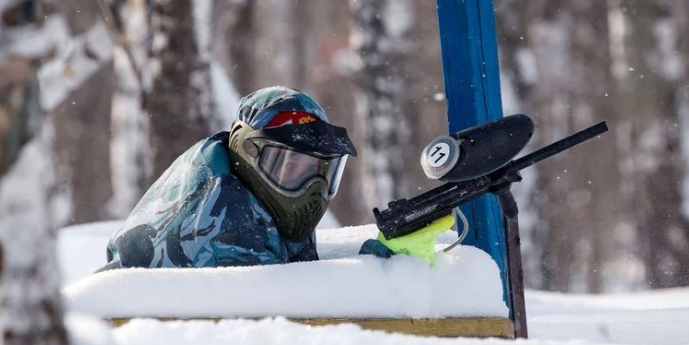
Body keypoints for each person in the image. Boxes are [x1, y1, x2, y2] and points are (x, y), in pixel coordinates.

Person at [102, 86, 452, 270]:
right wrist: (383, 264)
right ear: (249, 153)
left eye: (318, 170)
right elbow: (295, 312)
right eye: (289, 165)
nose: (310, 187)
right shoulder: (226, 222)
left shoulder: (231, 172)